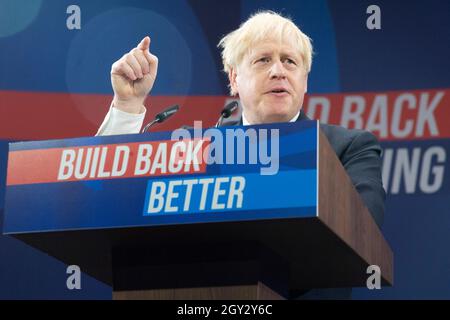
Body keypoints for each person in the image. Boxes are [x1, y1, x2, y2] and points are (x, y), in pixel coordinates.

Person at [96, 11, 386, 299]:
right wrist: (127, 104)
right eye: (263, 60)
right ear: (234, 79)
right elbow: (109, 197)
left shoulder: (349, 148)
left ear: (305, 80)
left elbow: (361, 233)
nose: (278, 71)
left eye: (289, 61)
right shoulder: (196, 147)